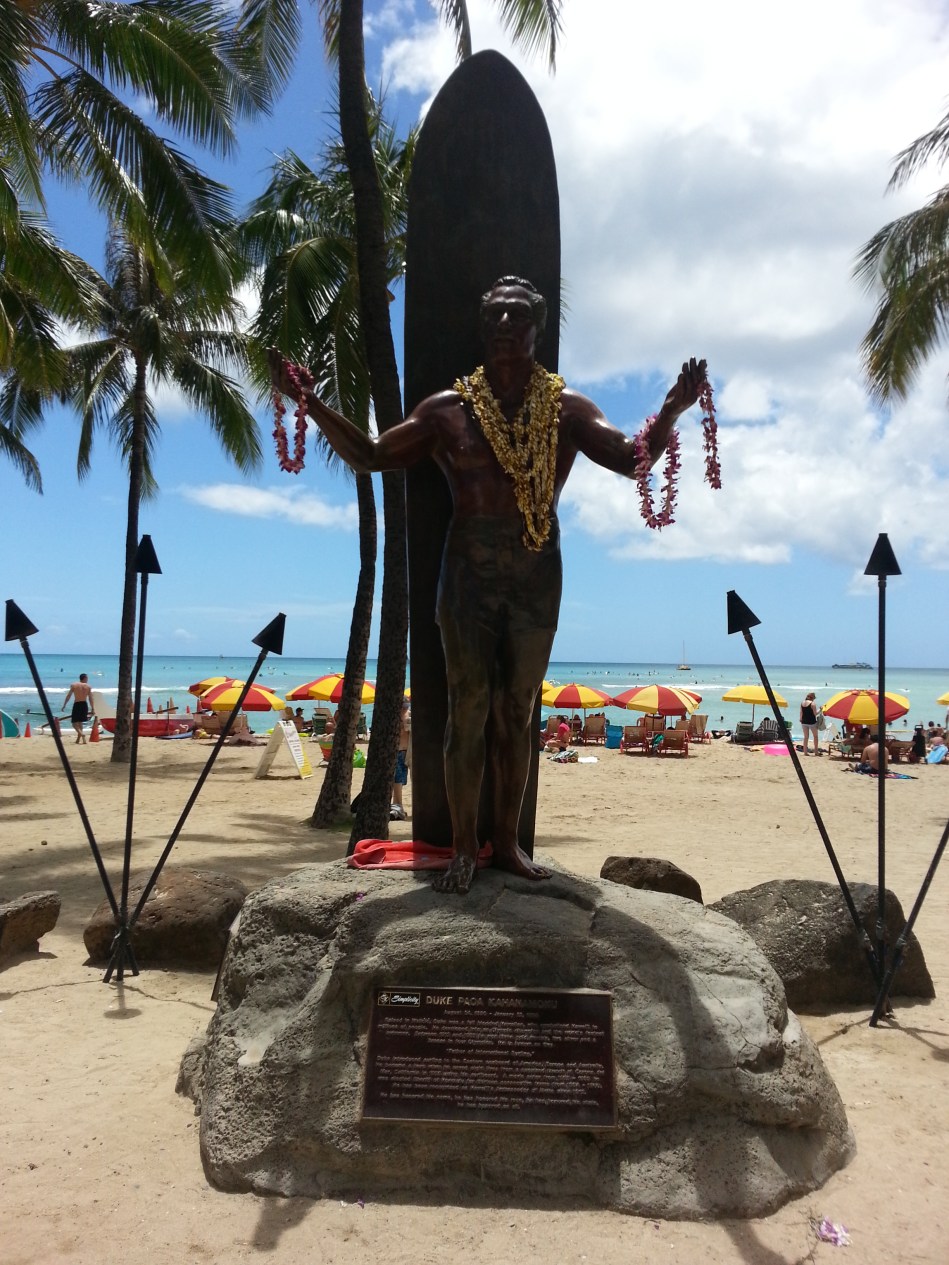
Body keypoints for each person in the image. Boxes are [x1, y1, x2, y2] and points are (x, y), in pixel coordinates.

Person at [270, 277, 705, 894]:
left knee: (517, 713)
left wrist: (670, 411)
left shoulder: (566, 408)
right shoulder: (447, 410)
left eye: (516, 315)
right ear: (482, 327)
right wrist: (310, 403)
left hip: (536, 576)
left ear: (537, 328)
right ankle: (463, 849)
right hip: (467, 576)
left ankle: (506, 843)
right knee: (467, 710)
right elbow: (371, 454)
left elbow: (630, 456)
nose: (504, 324)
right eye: (494, 315)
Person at [390, 699, 412, 821]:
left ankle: (397, 804)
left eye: (406, 707)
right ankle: (398, 806)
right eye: (403, 707)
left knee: (402, 780)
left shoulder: (408, 715)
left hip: (406, 751)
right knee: (397, 780)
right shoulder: (394, 716)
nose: (405, 709)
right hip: (397, 750)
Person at [62, 673, 93, 744]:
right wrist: (92, 708)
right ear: (84, 678)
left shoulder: (74, 685)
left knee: (74, 723)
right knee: (80, 723)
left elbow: (69, 695)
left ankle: (81, 734)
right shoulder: (88, 686)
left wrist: (64, 705)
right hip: (84, 704)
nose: (87, 679)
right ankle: (80, 740)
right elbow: (91, 698)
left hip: (77, 704)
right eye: (87, 678)